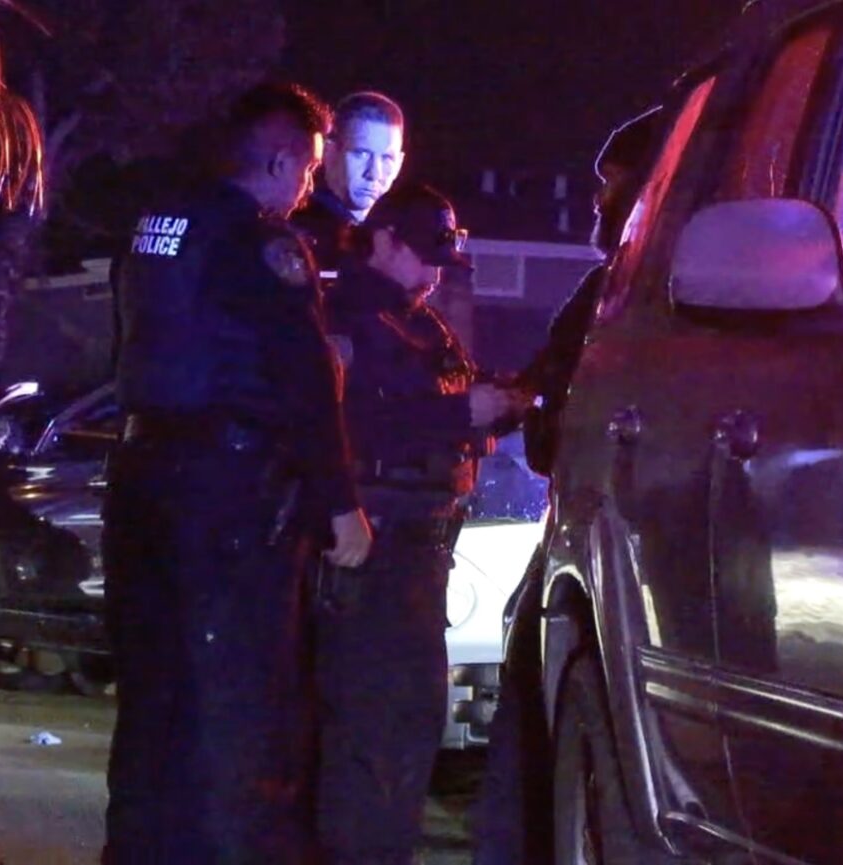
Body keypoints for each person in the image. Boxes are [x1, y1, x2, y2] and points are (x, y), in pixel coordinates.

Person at [101, 81, 373, 864]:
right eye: (309, 166)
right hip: (227, 495)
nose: (309, 187)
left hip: (142, 476)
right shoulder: (262, 243)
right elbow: (303, 379)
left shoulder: (159, 223)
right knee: (238, 705)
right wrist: (340, 503)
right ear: (280, 157)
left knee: (153, 699)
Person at [312, 182, 530, 865]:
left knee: (406, 719)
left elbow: (443, 396)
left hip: (420, 542)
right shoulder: (346, 316)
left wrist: (499, 402)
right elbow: (336, 423)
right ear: (383, 242)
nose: (436, 272)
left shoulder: (418, 320)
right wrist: (458, 413)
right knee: (375, 720)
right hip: (376, 544)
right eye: (423, 255)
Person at [470, 106, 664, 865]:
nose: (598, 210)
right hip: (596, 539)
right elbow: (549, 390)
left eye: (610, 192)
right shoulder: (612, 288)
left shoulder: (625, 289)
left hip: (611, 540)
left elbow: (558, 399)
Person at [292, 91, 407, 279]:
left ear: (400, 163)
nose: (374, 173)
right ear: (329, 152)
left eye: (387, 158)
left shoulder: (397, 241)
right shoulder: (298, 234)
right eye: (361, 154)